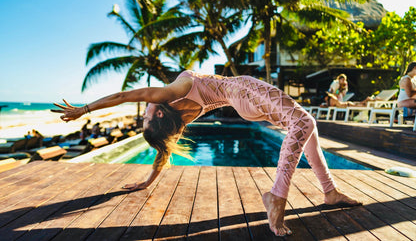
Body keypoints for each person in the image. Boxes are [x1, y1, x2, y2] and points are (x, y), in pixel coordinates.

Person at [52, 70, 361, 237]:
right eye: (146, 117)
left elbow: (163, 151)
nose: (144, 112)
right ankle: (277, 195)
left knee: (308, 130)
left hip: (244, 107)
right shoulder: (167, 96)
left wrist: (148, 181)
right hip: (242, 90)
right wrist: (84, 109)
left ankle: (330, 192)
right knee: (304, 122)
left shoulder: (179, 116)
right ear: (158, 115)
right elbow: (123, 96)